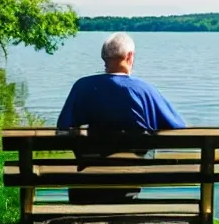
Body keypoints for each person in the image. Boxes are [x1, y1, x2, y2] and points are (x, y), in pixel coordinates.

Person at [57, 31, 186, 203]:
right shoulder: (145, 90)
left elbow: (63, 128)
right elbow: (178, 127)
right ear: (130, 56)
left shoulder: (82, 86)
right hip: (131, 171)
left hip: (92, 169)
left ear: (104, 56)